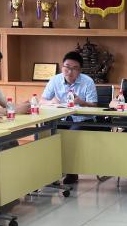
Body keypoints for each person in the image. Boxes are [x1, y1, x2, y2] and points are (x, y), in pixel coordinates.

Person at [42, 50, 99, 185]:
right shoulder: (55, 80)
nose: (69, 71)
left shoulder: (87, 81)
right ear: (62, 67)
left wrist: (82, 102)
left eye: (74, 68)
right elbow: (42, 100)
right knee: (46, 133)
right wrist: (52, 102)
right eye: (67, 67)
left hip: (83, 120)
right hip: (61, 119)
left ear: (80, 70)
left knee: (71, 134)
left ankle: (71, 172)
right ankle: (49, 172)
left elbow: (94, 105)